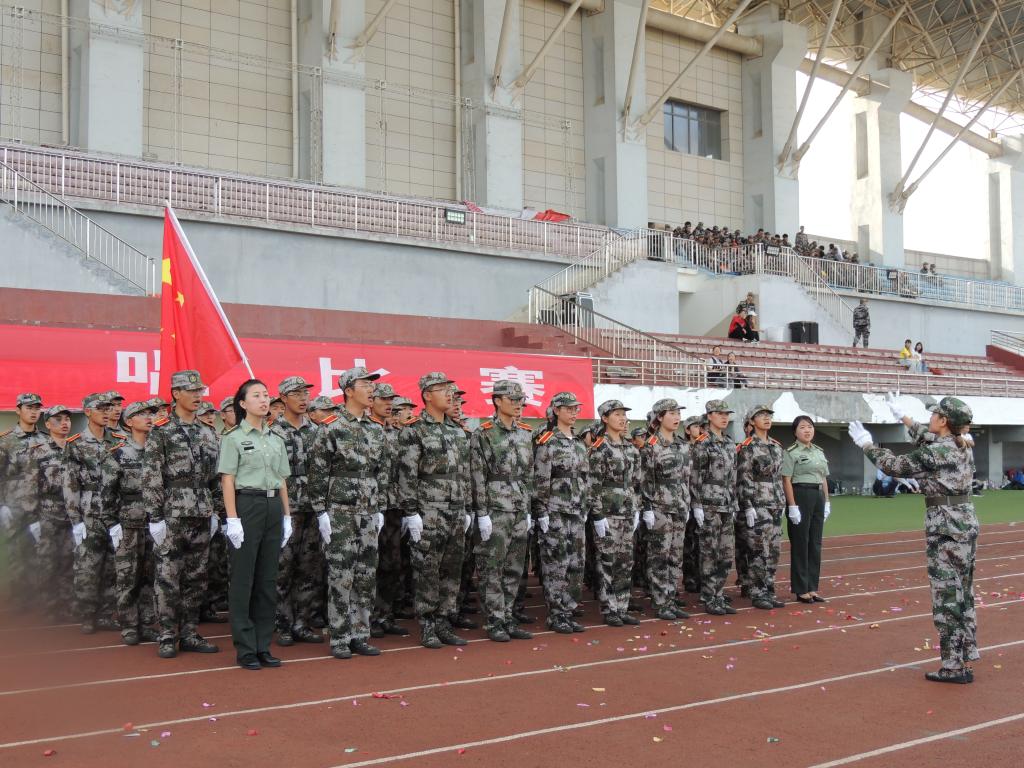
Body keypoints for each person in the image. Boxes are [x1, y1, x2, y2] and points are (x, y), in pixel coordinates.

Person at [850, 397, 979, 684]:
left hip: (945, 528)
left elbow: (895, 465)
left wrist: (866, 444)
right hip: (964, 524)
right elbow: (926, 437)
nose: (930, 418)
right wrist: (904, 418)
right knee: (964, 593)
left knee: (947, 598)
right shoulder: (961, 445)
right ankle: (965, 652)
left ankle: (953, 666)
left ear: (944, 421)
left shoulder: (936, 452)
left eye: (935, 415)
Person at [307, 367, 388, 659]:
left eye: (372, 385)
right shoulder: (330, 427)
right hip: (340, 511)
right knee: (342, 574)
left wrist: (380, 507)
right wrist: (321, 512)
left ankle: (360, 634)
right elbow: (317, 472)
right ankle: (340, 636)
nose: (371, 389)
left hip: (369, 510)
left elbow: (383, 471)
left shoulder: (376, 428)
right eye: (365, 385)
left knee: (366, 573)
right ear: (349, 391)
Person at [143, 370, 222, 658]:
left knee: (197, 577)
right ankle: (167, 634)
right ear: (176, 394)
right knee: (168, 576)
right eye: (191, 391)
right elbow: (152, 475)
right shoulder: (161, 431)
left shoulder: (208, 432)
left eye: (200, 391)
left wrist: (217, 512)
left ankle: (189, 632)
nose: (198, 396)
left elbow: (216, 477)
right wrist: (155, 517)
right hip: (172, 513)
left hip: (202, 512)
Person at [219, 379, 292, 670]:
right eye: (257, 395)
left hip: (273, 506)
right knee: (243, 579)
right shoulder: (233, 438)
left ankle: (263, 645)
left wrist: (287, 516)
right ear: (242, 403)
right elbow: (228, 479)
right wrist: (232, 519)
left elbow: (282, 479)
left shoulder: (276, 439)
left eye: (266, 395)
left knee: (267, 579)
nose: (264, 400)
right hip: (247, 505)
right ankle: (246, 648)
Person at [396, 372, 472, 649]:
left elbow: (464, 473)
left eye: (450, 389)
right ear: (427, 395)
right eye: (442, 390)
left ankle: (444, 621)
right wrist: (410, 512)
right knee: (427, 568)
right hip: (429, 510)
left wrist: (467, 508)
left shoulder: (456, 430)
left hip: (455, 509)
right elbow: (407, 474)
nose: (450, 394)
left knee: (452, 568)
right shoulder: (413, 430)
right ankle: (427, 624)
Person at [471, 380, 535, 642]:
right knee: (492, 567)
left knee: (514, 567)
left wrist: (528, 508)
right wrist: (482, 513)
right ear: (497, 401)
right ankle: (495, 620)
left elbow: (528, 474)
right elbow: (477, 475)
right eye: (512, 399)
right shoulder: (484, 434)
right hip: (496, 508)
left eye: (521, 400)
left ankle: (508, 616)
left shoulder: (525, 433)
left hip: (519, 507)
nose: (518, 404)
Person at [270, 376, 324, 647]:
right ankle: (282, 623)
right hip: (285, 510)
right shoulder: (272, 433)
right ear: (283, 399)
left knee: (309, 568)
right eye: (297, 394)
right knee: (282, 568)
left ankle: (302, 622)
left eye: (306, 394)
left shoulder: (317, 431)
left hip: (313, 509)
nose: (303, 399)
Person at [102, 401, 160, 645]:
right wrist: (111, 523)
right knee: (127, 576)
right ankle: (128, 625)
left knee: (150, 575)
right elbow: (107, 492)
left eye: (150, 414)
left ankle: (146, 623)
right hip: (128, 523)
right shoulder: (118, 452)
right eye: (141, 414)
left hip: (155, 522)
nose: (148, 418)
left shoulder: (158, 450)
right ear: (128, 421)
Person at [64, 393, 121, 633]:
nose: (107, 413)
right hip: (89, 513)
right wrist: (75, 520)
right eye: (101, 408)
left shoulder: (119, 440)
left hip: (115, 513)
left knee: (112, 566)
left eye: (109, 408)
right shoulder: (76, 443)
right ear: (87, 412)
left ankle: (106, 614)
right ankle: (88, 615)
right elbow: (70, 483)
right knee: (88, 567)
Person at [533, 392, 589, 634]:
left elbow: (585, 478)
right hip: (555, 511)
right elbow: (541, 479)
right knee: (556, 564)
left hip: (577, 511)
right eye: (568, 409)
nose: (573, 413)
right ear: (556, 411)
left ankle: (568, 610)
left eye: (576, 409)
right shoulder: (548, 441)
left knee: (576, 564)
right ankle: (556, 614)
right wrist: (541, 510)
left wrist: (585, 506)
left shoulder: (579, 443)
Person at [639, 398, 694, 620]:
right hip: (660, 507)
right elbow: (644, 480)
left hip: (679, 506)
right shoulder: (651, 446)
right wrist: (647, 508)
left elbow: (686, 477)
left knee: (675, 556)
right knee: (659, 556)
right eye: (671, 413)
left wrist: (687, 503)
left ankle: (671, 598)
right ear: (660, 417)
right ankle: (660, 601)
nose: (676, 417)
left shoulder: (683, 445)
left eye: (678, 413)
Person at [588, 399, 640, 627]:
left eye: (623, 414)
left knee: (625, 563)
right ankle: (609, 608)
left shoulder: (631, 448)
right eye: (617, 414)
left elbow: (636, 482)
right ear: (605, 418)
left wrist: (637, 508)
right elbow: (593, 485)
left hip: (627, 512)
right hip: (608, 514)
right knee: (607, 562)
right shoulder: (600, 448)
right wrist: (597, 515)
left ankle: (622, 606)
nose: (622, 418)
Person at [20, 404, 75, 621]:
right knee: (48, 561)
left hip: (72, 515)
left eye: (67, 419)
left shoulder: (76, 448)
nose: (64, 423)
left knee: (69, 560)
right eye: (58, 419)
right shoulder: (38, 451)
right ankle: (50, 607)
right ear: (48, 424)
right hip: (48, 514)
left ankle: (68, 605)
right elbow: (29, 487)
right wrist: (32, 518)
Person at [0, 393, 48, 611]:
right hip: (15, 507)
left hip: (43, 507)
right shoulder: (6, 441)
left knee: (41, 552)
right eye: (29, 408)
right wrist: (2, 505)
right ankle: (17, 601)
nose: (34, 412)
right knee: (16, 553)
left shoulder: (46, 440)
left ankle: (39, 600)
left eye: (37, 408)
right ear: (18, 410)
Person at [691, 400, 739, 615]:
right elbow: (695, 476)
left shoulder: (729, 443)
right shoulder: (702, 443)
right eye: (719, 413)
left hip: (727, 504)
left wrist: (734, 502)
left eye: (726, 414)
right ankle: (710, 596)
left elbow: (733, 476)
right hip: (709, 504)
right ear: (709, 416)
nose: (724, 417)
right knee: (710, 552)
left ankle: (718, 593)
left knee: (726, 554)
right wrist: (697, 505)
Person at [736, 405, 786, 610]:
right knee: (758, 550)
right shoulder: (747, 447)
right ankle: (757, 592)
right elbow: (744, 477)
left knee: (774, 550)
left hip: (775, 504)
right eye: (761, 416)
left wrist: (782, 502)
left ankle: (769, 589)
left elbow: (779, 477)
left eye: (769, 415)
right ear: (751, 421)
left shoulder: (776, 446)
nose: (766, 418)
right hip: (758, 505)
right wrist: (747, 505)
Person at [782, 415, 830, 604]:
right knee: (801, 543)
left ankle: (812, 587)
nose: (807, 430)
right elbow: (786, 479)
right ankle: (801, 589)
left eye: (809, 426)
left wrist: (827, 501)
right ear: (795, 432)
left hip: (818, 495)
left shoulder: (818, 451)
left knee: (815, 544)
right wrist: (792, 505)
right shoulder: (791, 452)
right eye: (802, 427)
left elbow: (823, 477)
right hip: (800, 494)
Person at [681, 415, 705, 595]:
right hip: (686, 499)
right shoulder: (684, 448)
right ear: (688, 430)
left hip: (703, 500)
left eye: (701, 426)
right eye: (695, 426)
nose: (699, 429)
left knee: (702, 542)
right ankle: (689, 578)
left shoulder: (704, 447)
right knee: (688, 542)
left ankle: (701, 578)